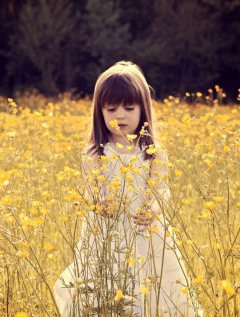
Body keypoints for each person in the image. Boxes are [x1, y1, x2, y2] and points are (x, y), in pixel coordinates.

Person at [54, 61, 204, 316]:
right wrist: (99, 203)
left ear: (143, 110)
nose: (119, 115)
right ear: (99, 112)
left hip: (146, 233)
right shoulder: (95, 152)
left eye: (129, 108)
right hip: (105, 233)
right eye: (111, 108)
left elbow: (162, 190)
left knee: (156, 288)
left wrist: (152, 210)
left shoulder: (153, 151)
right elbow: (92, 190)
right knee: (104, 286)